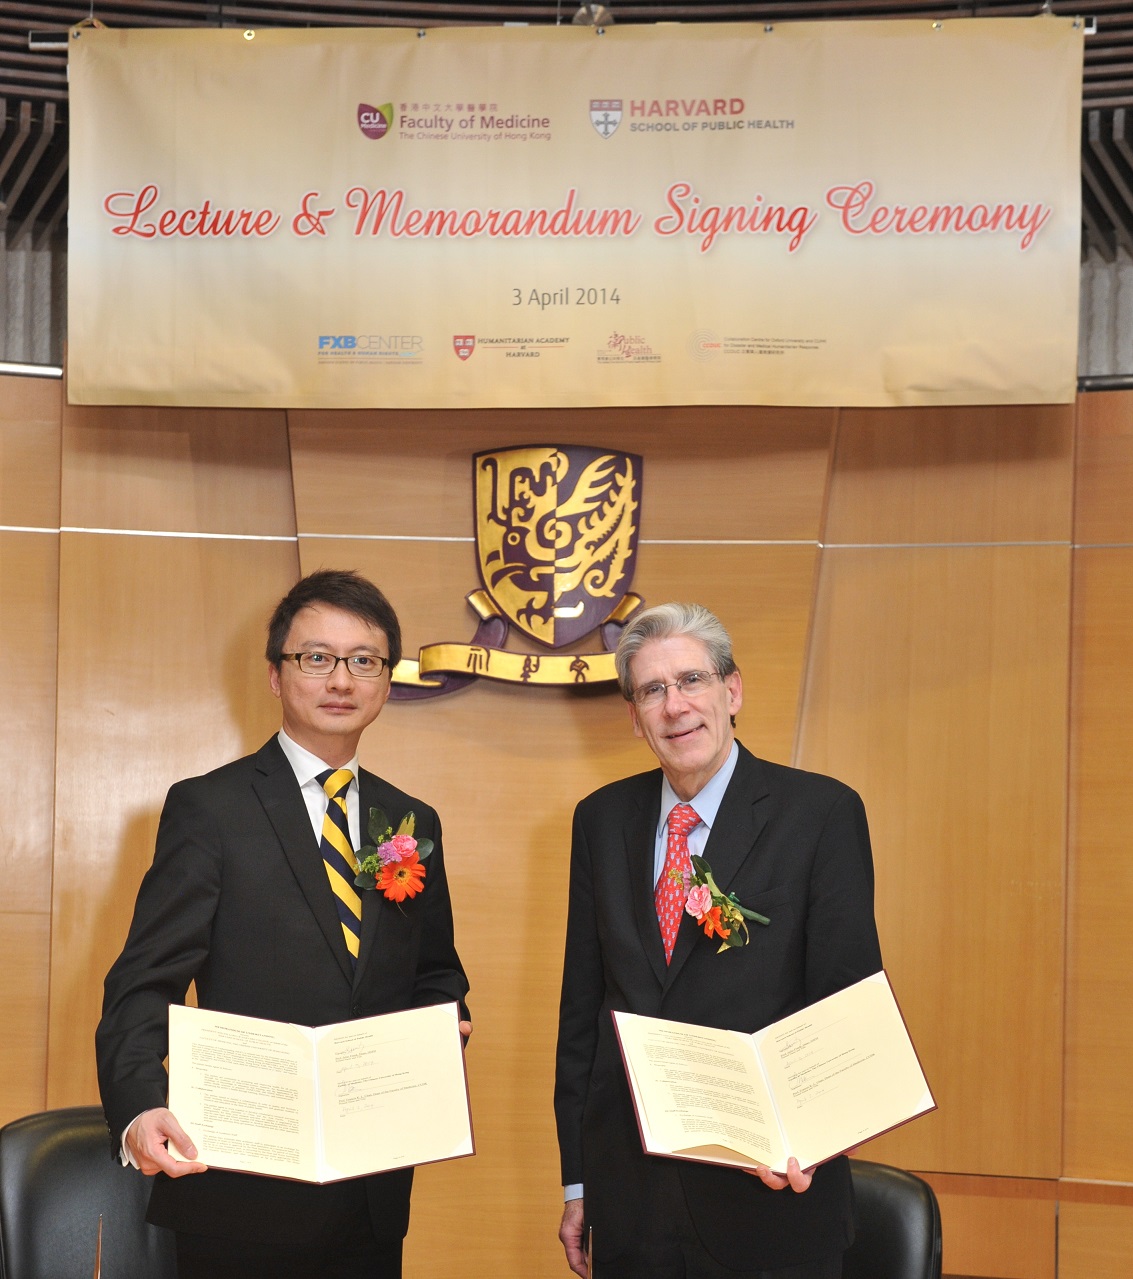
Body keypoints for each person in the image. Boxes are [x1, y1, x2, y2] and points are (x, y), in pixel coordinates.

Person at [96, 569, 470, 1279]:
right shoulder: (210, 808)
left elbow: (436, 970)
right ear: (275, 674)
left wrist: (440, 1022)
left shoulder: (410, 821)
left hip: (372, 1186)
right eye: (315, 657)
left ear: (386, 682)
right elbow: (143, 982)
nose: (341, 679)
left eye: (364, 660)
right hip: (239, 1187)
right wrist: (141, 1103)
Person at [554, 602, 882, 1279]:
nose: (675, 706)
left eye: (691, 681)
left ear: (731, 691)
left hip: (769, 1200)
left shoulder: (819, 814)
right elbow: (583, 1017)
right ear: (634, 715)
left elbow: (846, 1009)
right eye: (652, 689)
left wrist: (811, 1142)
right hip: (632, 1205)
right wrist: (580, 1183)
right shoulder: (600, 820)